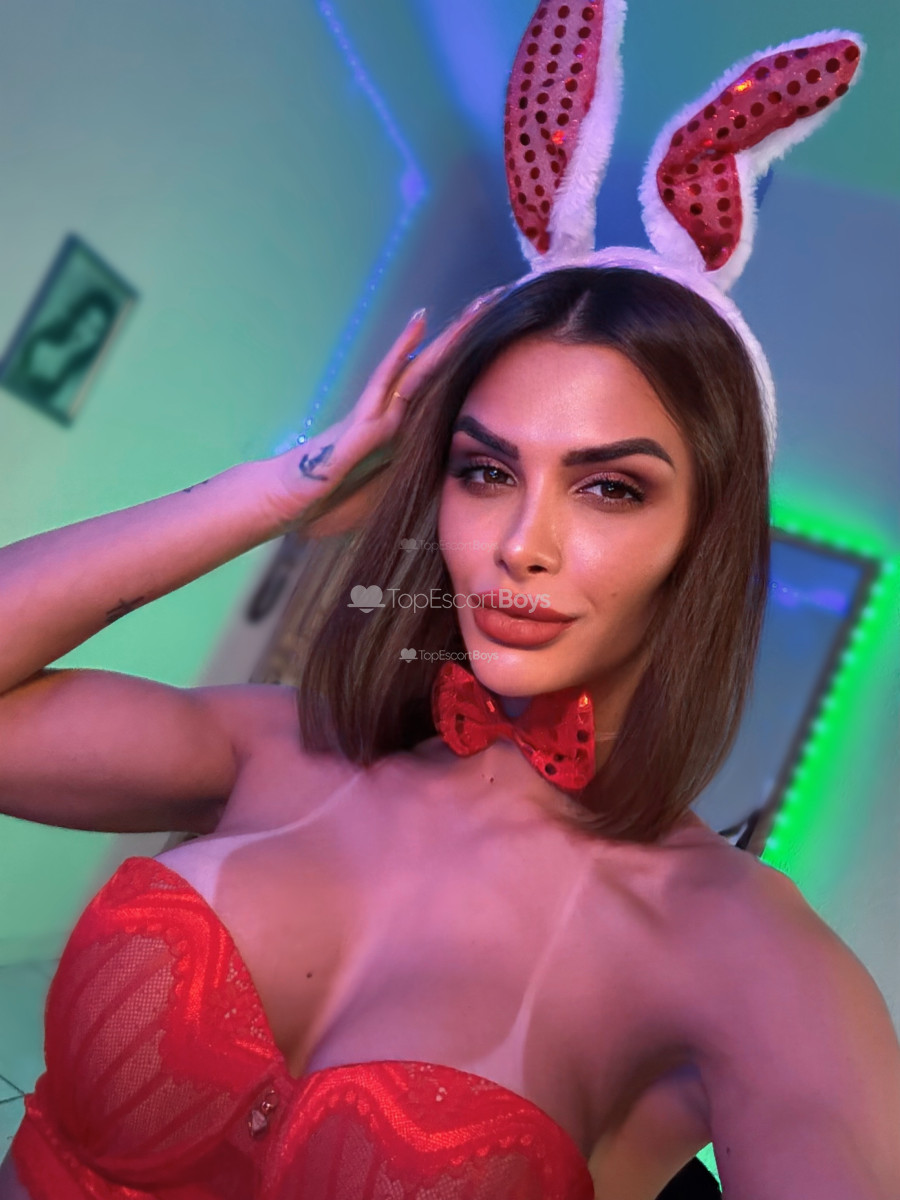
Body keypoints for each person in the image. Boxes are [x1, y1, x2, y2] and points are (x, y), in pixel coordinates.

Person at [2, 10, 899, 1200]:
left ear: (703, 539)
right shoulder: (277, 747)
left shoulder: (740, 948)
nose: (521, 543)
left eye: (611, 487)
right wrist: (282, 489)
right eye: (485, 471)